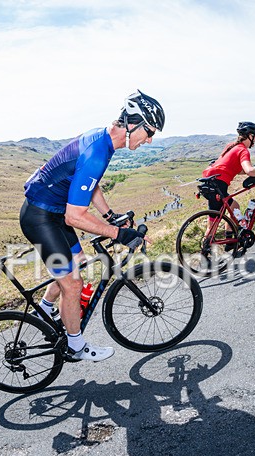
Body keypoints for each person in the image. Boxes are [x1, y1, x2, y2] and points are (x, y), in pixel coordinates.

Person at [19, 90, 161, 362]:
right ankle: (75, 346)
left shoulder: (104, 140)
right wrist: (119, 233)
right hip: (40, 218)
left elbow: (88, 186)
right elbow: (75, 217)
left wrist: (109, 216)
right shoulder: (98, 151)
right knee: (73, 284)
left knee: (79, 261)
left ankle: (45, 310)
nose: (150, 139)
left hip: (53, 213)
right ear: (133, 123)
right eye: (150, 131)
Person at [200, 122, 255, 227]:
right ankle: (225, 242)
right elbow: (249, 171)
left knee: (232, 209)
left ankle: (227, 239)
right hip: (218, 182)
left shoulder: (231, 146)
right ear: (250, 136)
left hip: (210, 180)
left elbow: (235, 169)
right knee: (221, 219)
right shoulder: (243, 150)